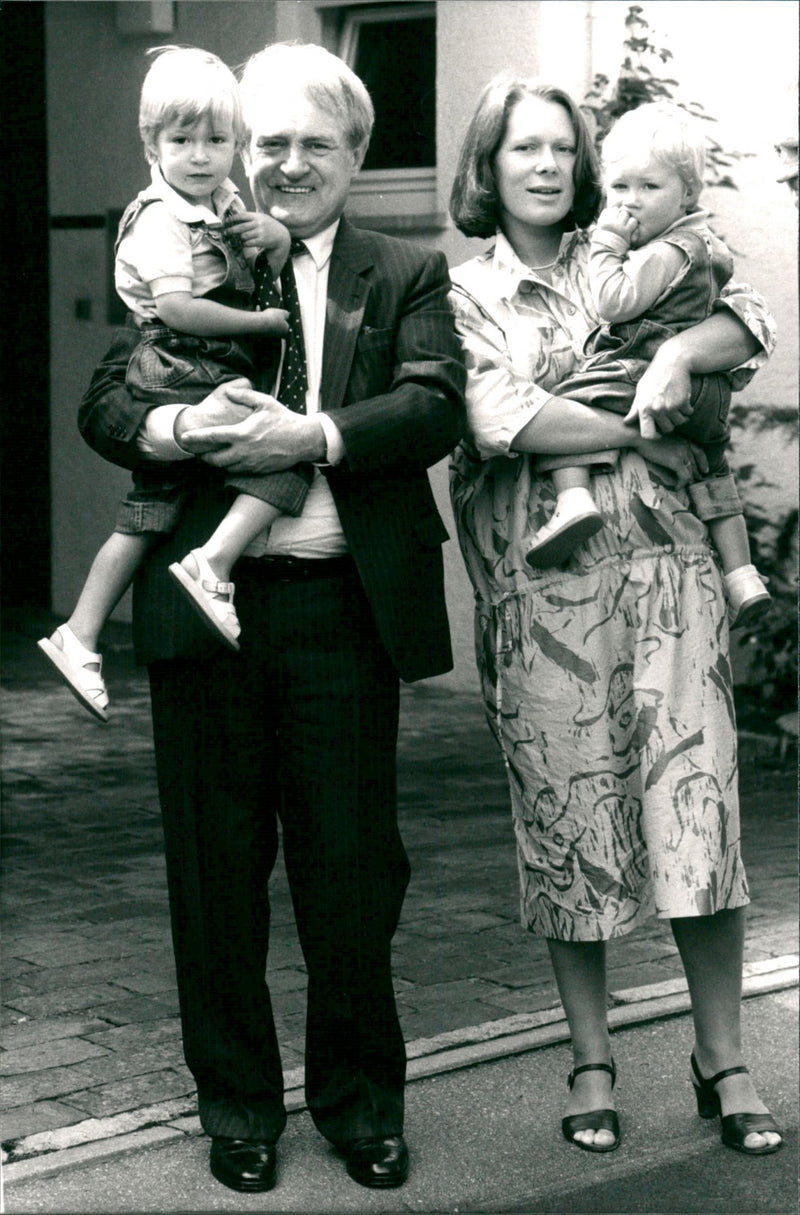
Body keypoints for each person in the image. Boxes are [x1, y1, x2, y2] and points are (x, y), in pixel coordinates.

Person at [77, 41, 464, 1193]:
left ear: (355, 153)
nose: (287, 165)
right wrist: (177, 431)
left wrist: (319, 436)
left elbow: (433, 403)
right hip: (206, 616)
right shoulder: (187, 243)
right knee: (214, 876)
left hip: (341, 615)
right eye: (268, 144)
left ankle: (358, 1104)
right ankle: (238, 1108)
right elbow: (108, 400)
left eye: (314, 145)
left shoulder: (402, 273)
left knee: (351, 875)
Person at [448, 74, 782, 1157]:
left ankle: (720, 1056)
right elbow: (502, 416)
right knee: (568, 829)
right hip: (543, 592)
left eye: (558, 147)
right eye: (519, 149)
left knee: (699, 815)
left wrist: (682, 354)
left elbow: (749, 319)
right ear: (485, 168)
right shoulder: (463, 292)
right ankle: (590, 1056)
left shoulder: (642, 242)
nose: (543, 166)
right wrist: (658, 425)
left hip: (675, 575)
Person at [38, 46, 307, 720]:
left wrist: (271, 233)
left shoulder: (219, 200)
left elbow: (259, 250)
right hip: (176, 359)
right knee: (283, 455)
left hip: (197, 359)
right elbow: (180, 309)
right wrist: (261, 321)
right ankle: (210, 565)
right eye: (181, 139)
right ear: (151, 142)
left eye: (217, 140)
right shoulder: (160, 220)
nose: (200, 155)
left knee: (148, 514)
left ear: (237, 144)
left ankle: (80, 632)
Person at [525, 103, 770, 632]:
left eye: (648, 188)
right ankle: (743, 574)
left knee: (566, 401)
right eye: (619, 189)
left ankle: (571, 500)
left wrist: (608, 243)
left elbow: (614, 303)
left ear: (688, 193)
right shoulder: (706, 246)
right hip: (704, 397)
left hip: (643, 381)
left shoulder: (661, 251)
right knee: (715, 471)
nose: (630, 203)